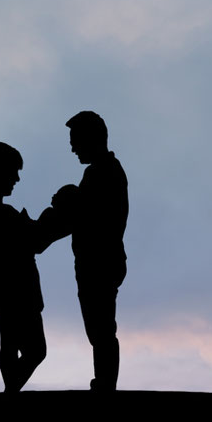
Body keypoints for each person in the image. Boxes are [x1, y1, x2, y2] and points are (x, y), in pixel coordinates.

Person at [0, 141, 62, 393]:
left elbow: (33, 238)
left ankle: (11, 391)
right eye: (13, 171)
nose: (17, 178)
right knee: (35, 350)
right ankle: (11, 392)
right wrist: (57, 215)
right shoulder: (0, 214)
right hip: (16, 290)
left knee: (10, 343)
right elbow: (36, 240)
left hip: (2, 290)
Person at [63, 111, 128, 391]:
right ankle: (104, 381)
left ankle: (105, 384)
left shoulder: (104, 172)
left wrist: (71, 199)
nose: (72, 147)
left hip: (100, 262)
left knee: (101, 329)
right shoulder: (99, 172)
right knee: (98, 328)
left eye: (75, 140)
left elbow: (92, 214)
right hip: (97, 261)